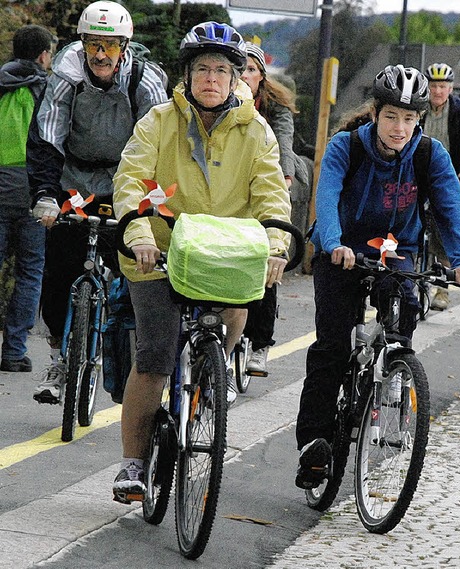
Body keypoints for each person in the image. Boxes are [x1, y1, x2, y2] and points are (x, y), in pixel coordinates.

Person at [111, 21, 291, 503]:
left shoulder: (257, 131)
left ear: (237, 80)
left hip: (225, 253)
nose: (211, 79)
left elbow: (271, 195)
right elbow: (131, 182)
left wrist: (276, 245)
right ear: (187, 76)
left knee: (236, 311)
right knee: (154, 356)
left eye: (221, 71)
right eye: (202, 69)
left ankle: (213, 373)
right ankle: (132, 463)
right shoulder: (157, 122)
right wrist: (138, 234)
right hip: (160, 251)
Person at [294, 64, 460, 489]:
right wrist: (334, 242)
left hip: (397, 250)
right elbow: (327, 195)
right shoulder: (347, 146)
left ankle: (394, 375)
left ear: (420, 119)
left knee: (405, 310)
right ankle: (314, 446)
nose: (400, 127)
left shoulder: (430, 153)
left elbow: (451, 207)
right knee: (333, 346)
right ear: (376, 113)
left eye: (410, 118)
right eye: (392, 116)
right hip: (342, 250)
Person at [28, 1, 168, 403]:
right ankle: (59, 354)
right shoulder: (66, 73)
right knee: (58, 268)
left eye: (110, 45)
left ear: (124, 46)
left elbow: (160, 145)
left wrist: (152, 201)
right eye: (93, 44)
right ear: (83, 44)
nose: (101, 55)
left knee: (133, 270)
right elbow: (46, 138)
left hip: (126, 180)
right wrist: (44, 195)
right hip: (75, 181)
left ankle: (127, 359)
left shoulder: (145, 79)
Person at [239, 42, 300, 376]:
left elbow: (283, 145)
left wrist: (286, 176)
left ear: (261, 76)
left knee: (268, 260)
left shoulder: (275, 108)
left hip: (266, 183)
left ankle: (260, 345)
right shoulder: (221, 101)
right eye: (240, 69)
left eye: (251, 69)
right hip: (231, 190)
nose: (244, 75)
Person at [0, 25, 57, 373]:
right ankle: (13, 351)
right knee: (30, 272)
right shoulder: (46, 88)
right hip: (33, 191)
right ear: (42, 55)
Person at [421, 62, 460, 311]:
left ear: (451, 88)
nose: (437, 91)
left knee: (445, 225)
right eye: (434, 86)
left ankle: (443, 290)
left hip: (448, 175)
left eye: (443, 86)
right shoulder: (417, 107)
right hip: (417, 171)